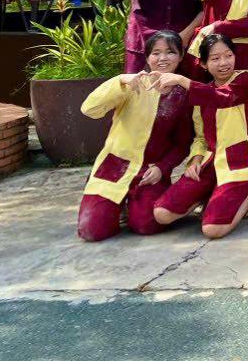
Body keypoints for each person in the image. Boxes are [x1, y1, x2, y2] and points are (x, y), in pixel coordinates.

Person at [76, 31, 193, 242]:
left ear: (181, 56)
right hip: (113, 167)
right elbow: (89, 109)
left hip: (150, 173)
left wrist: (162, 168)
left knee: (146, 225)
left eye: (170, 52)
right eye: (156, 53)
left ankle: (139, 204)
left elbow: (182, 144)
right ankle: (111, 203)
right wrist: (120, 80)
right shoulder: (131, 84)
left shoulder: (183, 95)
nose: (163, 58)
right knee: (92, 231)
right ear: (147, 57)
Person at [152, 34, 248, 239]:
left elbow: (223, 98)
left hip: (238, 164)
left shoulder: (242, 80)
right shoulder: (201, 93)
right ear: (204, 64)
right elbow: (200, 137)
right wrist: (195, 161)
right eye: (215, 58)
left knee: (212, 229)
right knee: (161, 213)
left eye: (228, 55)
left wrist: (181, 80)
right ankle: (209, 192)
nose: (224, 63)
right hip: (209, 163)